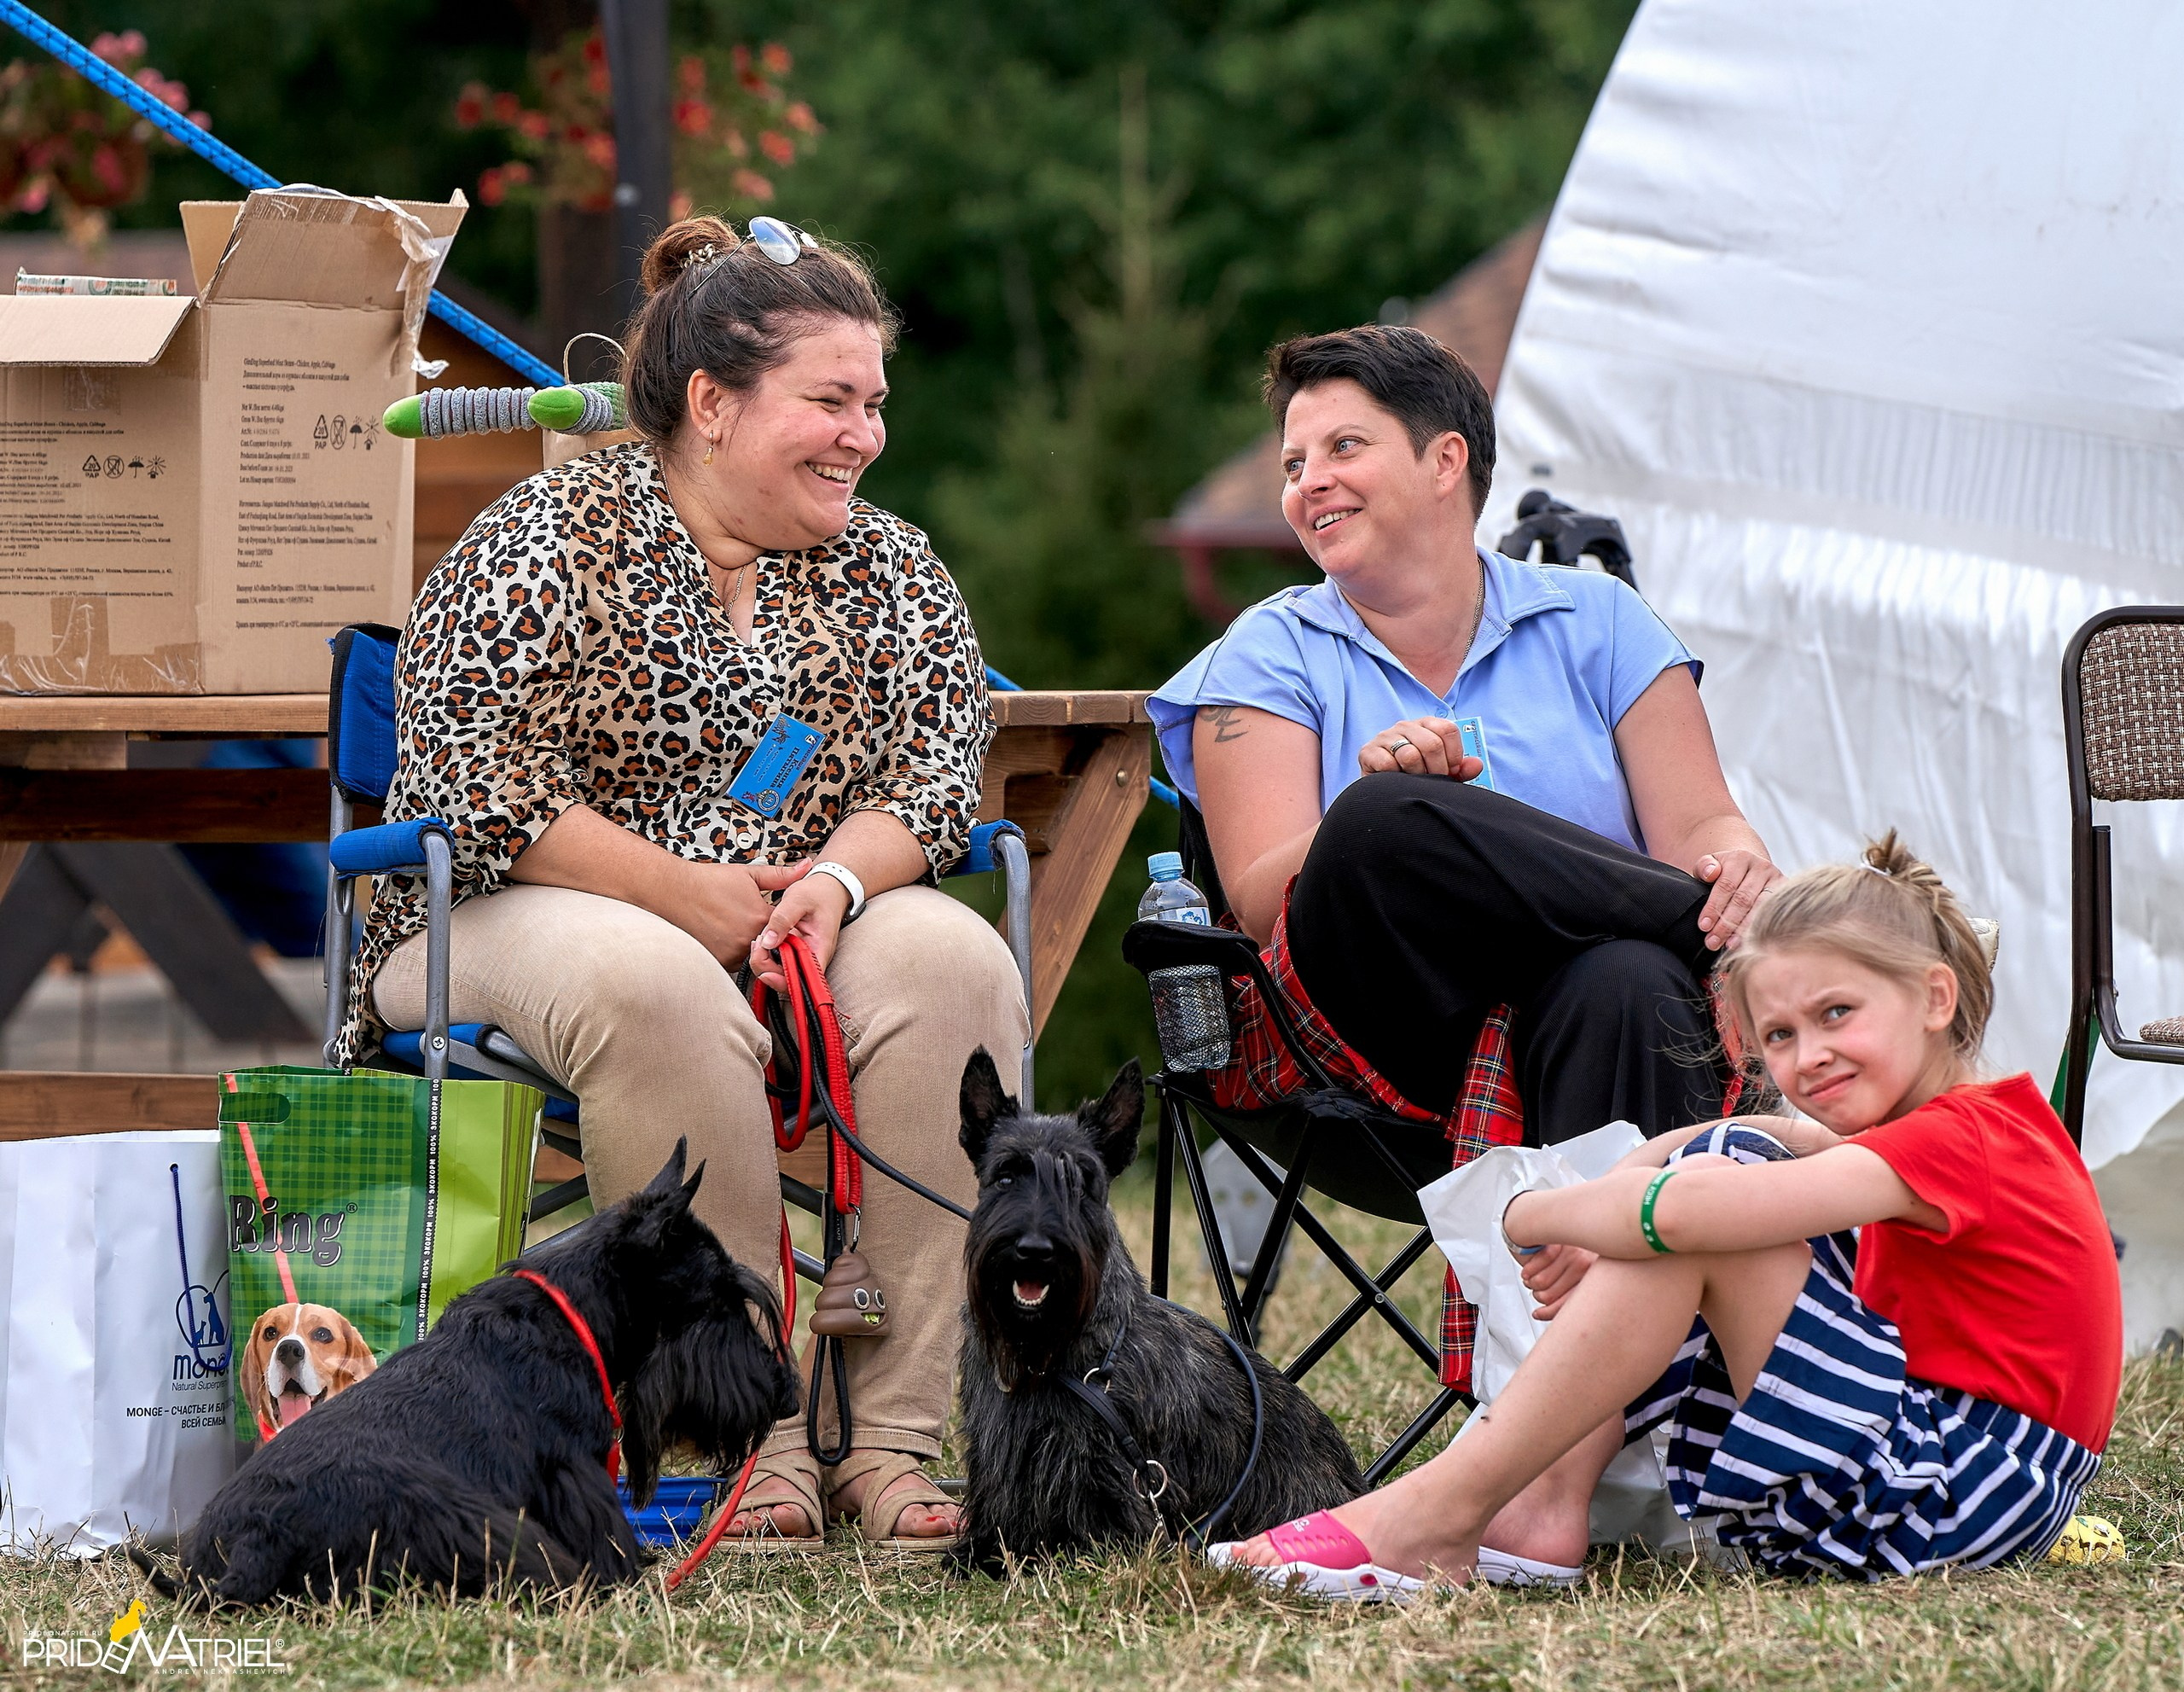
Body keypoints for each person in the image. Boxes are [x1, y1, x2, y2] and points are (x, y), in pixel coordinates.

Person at [334, 214, 1028, 1553]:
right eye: (830, 400)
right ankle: (748, 1434)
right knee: (655, 983)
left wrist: (833, 879)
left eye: (875, 402)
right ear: (712, 404)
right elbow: (474, 784)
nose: (864, 433)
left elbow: (940, 775)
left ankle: (887, 1440)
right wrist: (683, 893)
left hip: (793, 913)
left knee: (954, 959)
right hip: (494, 906)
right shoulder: (548, 532)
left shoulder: (890, 565)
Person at [1215, 834, 2123, 1591]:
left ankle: (1446, 1510)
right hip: (1964, 1482)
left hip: (1955, 1499)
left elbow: (1692, 1217)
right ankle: (1529, 1511)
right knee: (1723, 1166)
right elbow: (1769, 1145)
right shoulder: (1962, 1128)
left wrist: (1543, 1213)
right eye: (1779, 1036)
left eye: (1836, 1013)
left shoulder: (1966, 1138)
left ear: (1934, 997)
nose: (1808, 1057)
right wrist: (1657, 1156)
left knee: (1711, 1212)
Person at [1147, 324, 1781, 1172]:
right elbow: (1264, 902)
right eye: (1295, 464)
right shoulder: (1264, 652)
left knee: (1628, 979)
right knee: (1382, 815)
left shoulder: (1602, 622)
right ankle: (1774, 953)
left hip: (1594, 1003)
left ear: (1445, 461)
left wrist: (1735, 864)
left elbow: (1702, 823)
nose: (1309, 484)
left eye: (1343, 447)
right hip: (1380, 1024)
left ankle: (1598, 1300)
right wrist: (1393, 807)